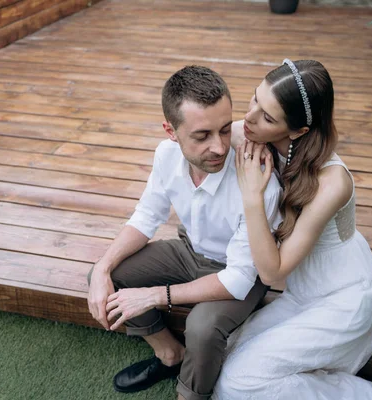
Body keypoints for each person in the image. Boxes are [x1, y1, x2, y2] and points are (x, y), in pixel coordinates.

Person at [86, 65, 282, 400]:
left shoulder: (258, 179)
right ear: (171, 131)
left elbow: (237, 279)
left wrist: (154, 295)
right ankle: (169, 354)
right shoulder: (165, 155)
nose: (220, 147)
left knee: (202, 328)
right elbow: (147, 215)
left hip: (240, 273)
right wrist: (103, 269)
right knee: (107, 272)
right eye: (202, 136)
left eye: (224, 130)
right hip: (189, 252)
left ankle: (191, 394)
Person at [212, 59, 372, 399]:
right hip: (302, 292)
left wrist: (252, 195)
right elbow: (196, 138)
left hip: (344, 298)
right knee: (227, 353)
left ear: (297, 131)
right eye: (254, 100)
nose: (248, 118)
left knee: (238, 382)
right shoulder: (249, 133)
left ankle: (368, 396)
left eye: (267, 116)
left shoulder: (332, 182)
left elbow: (271, 271)